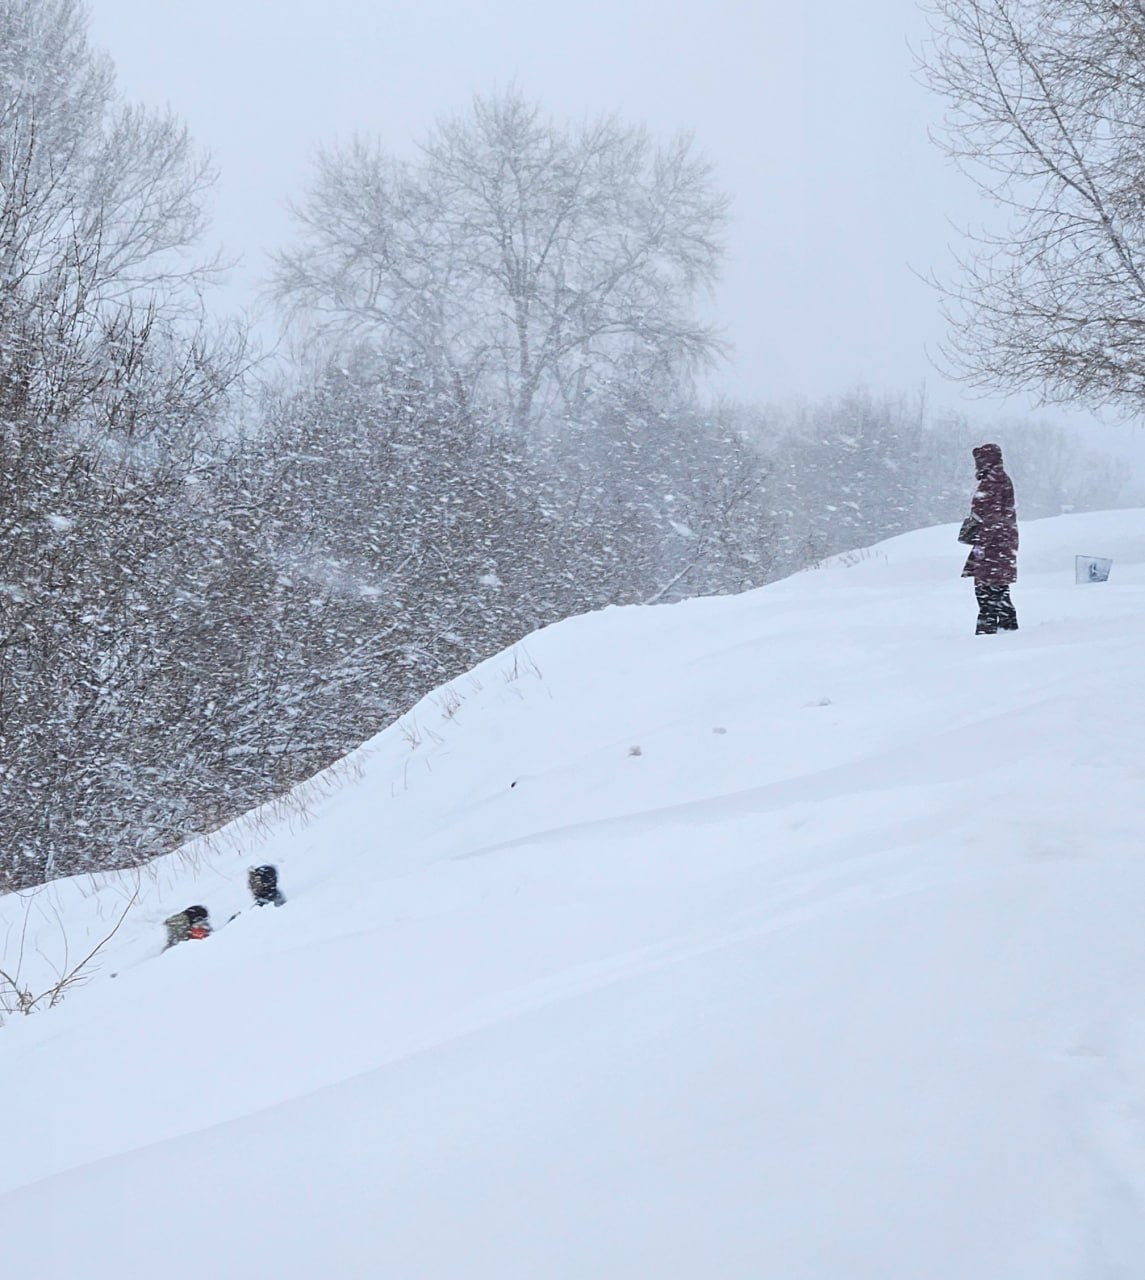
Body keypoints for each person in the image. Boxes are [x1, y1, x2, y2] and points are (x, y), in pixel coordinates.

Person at [961, 442, 1018, 634]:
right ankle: (1008, 629)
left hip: (993, 545)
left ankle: (987, 634)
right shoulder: (1001, 480)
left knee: (985, 592)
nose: (977, 464)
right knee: (999, 590)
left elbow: (991, 517)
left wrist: (981, 543)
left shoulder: (991, 483)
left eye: (979, 460)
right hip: (1002, 544)